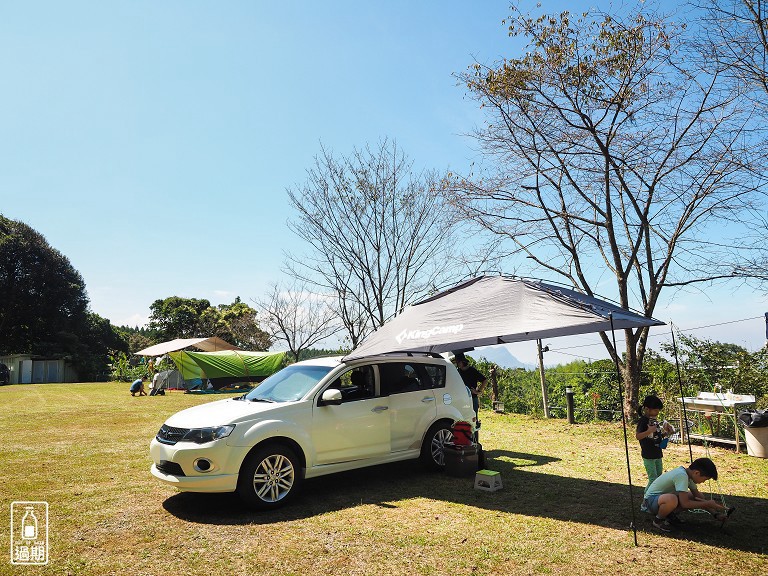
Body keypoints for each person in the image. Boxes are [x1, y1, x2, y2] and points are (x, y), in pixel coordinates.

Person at [642, 457, 734, 532]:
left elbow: (698, 497)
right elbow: (685, 503)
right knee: (672, 499)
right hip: (650, 502)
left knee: (695, 496)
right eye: (704, 479)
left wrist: (715, 514)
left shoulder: (687, 475)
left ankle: (669, 516)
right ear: (697, 473)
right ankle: (658, 520)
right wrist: (707, 503)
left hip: (659, 500)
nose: (703, 482)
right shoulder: (681, 476)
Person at [636, 395, 674, 496]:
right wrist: (648, 430)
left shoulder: (654, 421)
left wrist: (667, 432)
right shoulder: (643, 421)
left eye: (658, 410)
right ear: (647, 409)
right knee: (653, 479)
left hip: (657, 453)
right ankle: (646, 499)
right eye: (655, 410)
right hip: (648, 455)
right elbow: (638, 436)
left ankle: (654, 497)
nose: (657, 412)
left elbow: (657, 436)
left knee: (659, 478)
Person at [454, 353, 487, 420]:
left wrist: (478, 391)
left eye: (457, 362)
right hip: (462, 399)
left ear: (462, 362)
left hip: (472, 398)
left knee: (473, 418)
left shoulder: (472, 370)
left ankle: (475, 430)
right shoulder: (458, 371)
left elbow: (485, 380)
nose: (457, 364)